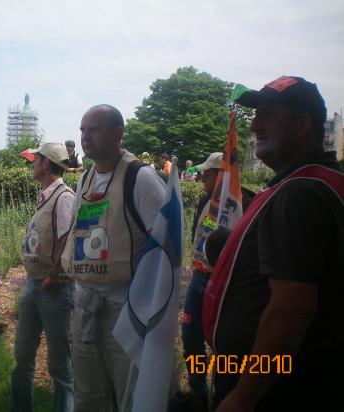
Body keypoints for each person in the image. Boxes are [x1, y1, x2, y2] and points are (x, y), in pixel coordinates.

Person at [202, 76, 344, 412]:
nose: (255, 127)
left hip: (277, 390)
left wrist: (243, 396)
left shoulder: (301, 193)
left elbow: (292, 309)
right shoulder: (317, 183)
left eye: (268, 115)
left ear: (302, 123)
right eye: (255, 117)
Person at [60, 105, 167, 411]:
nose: (85, 136)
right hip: (86, 306)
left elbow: (165, 247)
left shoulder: (141, 178)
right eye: (82, 129)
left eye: (93, 129)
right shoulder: (85, 179)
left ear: (118, 134)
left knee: (130, 396)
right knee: (89, 395)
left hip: (127, 311)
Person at [10, 142, 75, 412]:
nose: (32, 164)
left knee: (60, 365)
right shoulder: (47, 195)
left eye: (35, 159)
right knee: (22, 357)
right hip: (35, 285)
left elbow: (67, 239)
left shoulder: (64, 196)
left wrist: (54, 275)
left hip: (53, 288)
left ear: (46, 163)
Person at [180, 152, 223, 408]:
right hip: (198, 277)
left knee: (223, 342)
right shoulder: (205, 199)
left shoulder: (243, 201)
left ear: (222, 175)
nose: (203, 177)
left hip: (224, 283)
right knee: (191, 337)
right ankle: (198, 391)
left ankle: (223, 395)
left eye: (208, 173)